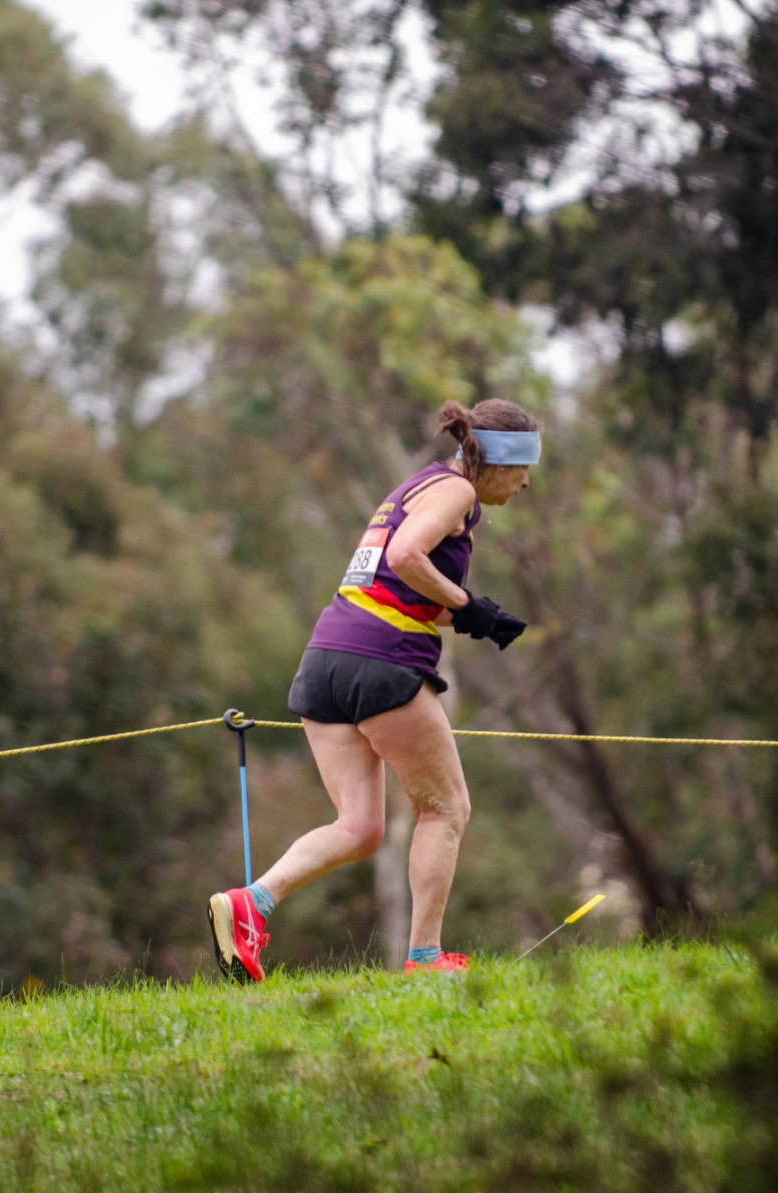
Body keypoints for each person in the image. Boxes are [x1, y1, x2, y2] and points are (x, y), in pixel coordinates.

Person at [208, 398, 541, 982]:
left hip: (326, 659)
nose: (527, 482)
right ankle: (425, 958)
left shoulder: (417, 486)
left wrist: (475, 617)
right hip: (381, 661)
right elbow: (405, 555)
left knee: (359, 827)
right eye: (523, 466)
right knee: (446, 808)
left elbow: (391, 581)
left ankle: (250, 904)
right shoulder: (457, 493)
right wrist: (467, 603)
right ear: (495, 459)